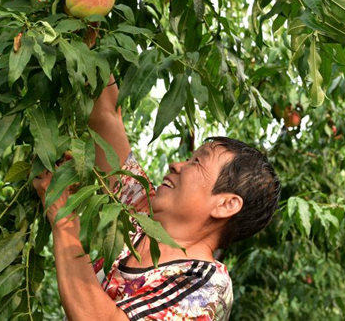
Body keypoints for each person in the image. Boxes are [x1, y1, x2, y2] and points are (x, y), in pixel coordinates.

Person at [33, 77, 281, 320]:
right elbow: (106, 115)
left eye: (197, 162)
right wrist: (89, 46)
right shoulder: (141, 217)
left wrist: (64, 220)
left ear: (226, 204)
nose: (176, 165)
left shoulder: (207, 286)